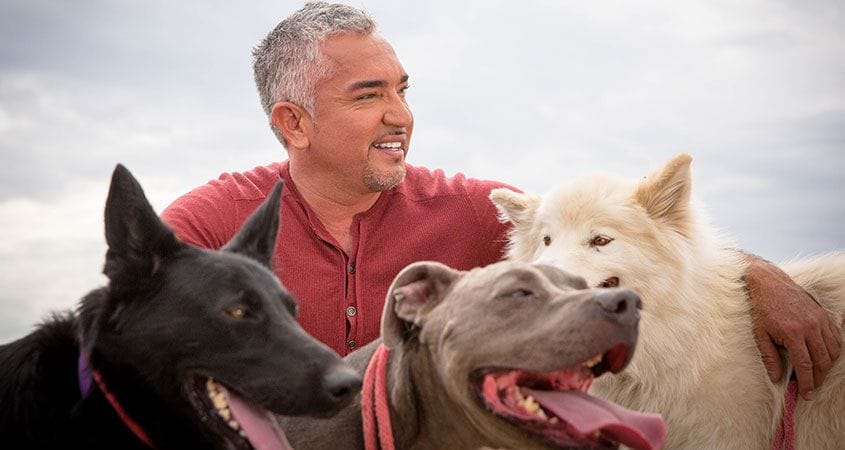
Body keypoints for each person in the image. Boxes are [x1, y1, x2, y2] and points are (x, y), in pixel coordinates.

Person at [161, 1, 840, 401]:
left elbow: (624, 234)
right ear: (293, 124)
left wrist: (755, 273)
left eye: (402, 89)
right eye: (368, 95)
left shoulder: (472, 209)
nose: (400, 115)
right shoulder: (205, 224)